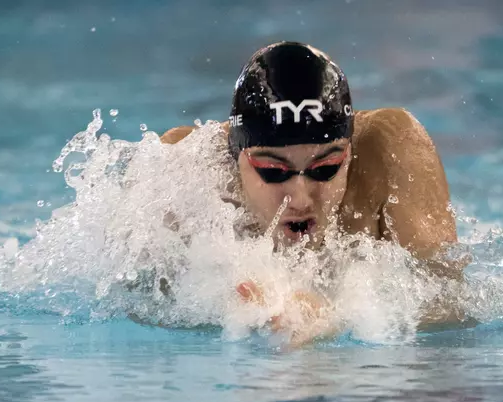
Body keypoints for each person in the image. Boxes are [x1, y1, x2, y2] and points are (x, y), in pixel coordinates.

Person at [158, 41, 472, 346]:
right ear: (236, 156)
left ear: (349, 153)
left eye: (326, 167)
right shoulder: (184, 170)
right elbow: (144, 298)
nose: (301, 199)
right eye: (274, 171)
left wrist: (336, 317)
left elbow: (451, 303)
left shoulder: (392, 148)